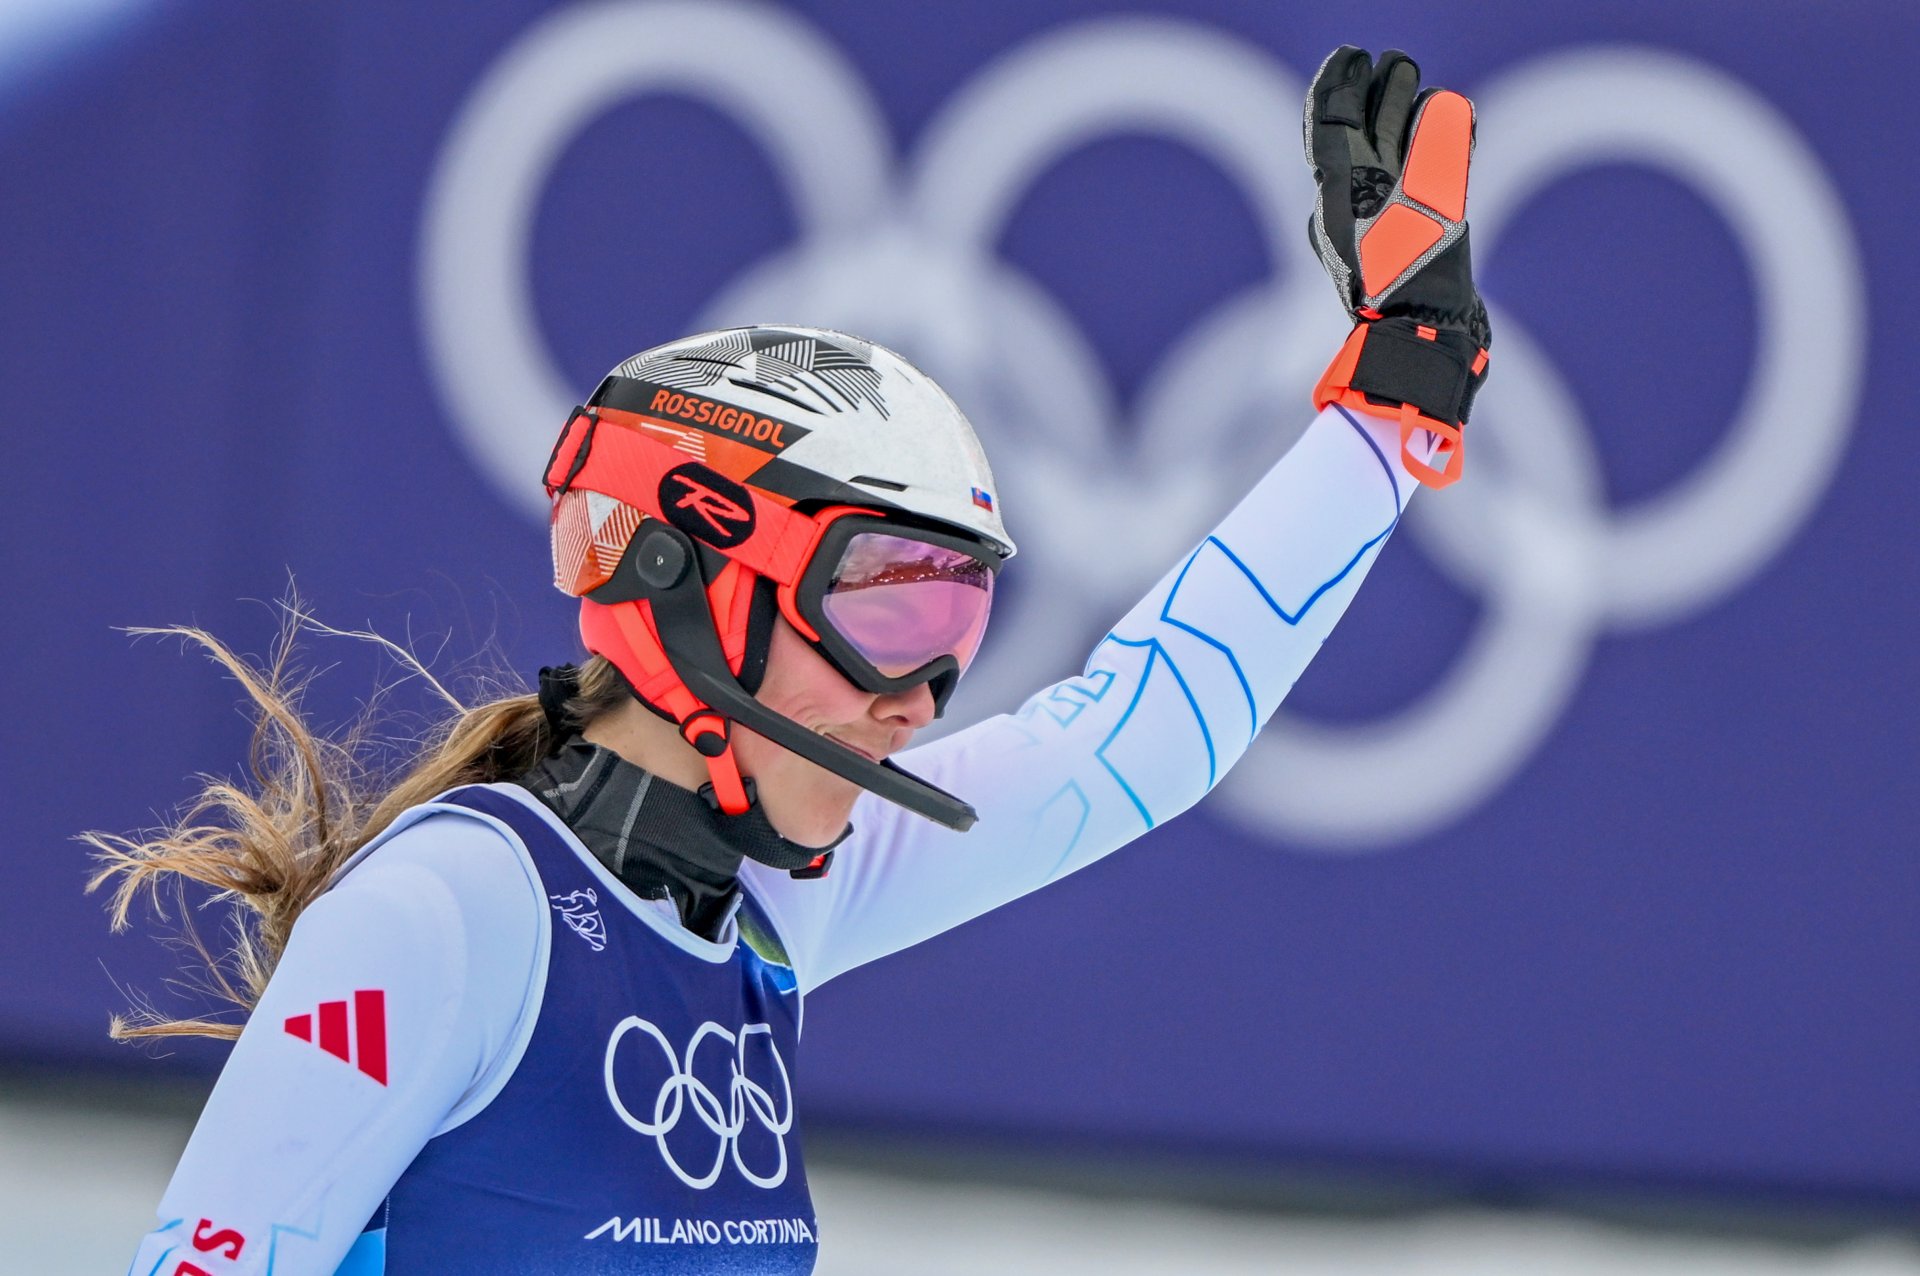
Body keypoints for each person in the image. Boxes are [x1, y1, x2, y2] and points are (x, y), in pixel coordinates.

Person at [102, 46, 1489, 1276]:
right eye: (887, 610)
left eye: (959, 621)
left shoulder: (760, 908)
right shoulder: (448, 914)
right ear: (682, 586)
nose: (919, 700)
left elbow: (1140, 736)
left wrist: (1392, 410)